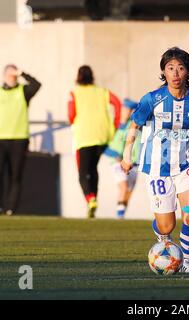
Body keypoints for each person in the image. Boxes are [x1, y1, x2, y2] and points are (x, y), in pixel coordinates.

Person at [121, 47, 189, 273]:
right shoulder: (152, 99)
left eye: (181, 68)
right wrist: (127, 154)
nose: (175, 73)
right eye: (170, 68)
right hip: (158, 166)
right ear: (163, 72)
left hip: (187, 163)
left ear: (188, 72)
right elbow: (134, 124)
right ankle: (163, 236)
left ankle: (187, 262)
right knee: (167, 225)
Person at [0, 64, 41, 215]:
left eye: (14, 75)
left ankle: (11, 208)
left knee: (15, 175)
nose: (11, 77)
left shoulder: (23, 92)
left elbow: (36, 84)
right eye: (9, 74)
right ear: (4, 76)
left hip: (18, 140)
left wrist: (22, 73)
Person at [68, 65, 122, 218]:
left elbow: (71, 115)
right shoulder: (102, 92)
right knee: (93, 169)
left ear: (78, 76)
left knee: (83, 172)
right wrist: (115, 124)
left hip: (84, 137)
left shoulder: (74, 93)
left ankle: (90, 199)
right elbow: (117, 103)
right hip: (103, 135)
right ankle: (94, 199)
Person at [104, 98, 141, 219]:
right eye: (125, 109)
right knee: (124, 187)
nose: (126, 112)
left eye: (129, 110)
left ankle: (121, 215)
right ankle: (119, 215)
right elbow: (107, 145)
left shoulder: (136, 126)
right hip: (118, 162)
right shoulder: (116, 125)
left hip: (134, 164)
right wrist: (117, 157)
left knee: (129, 191)